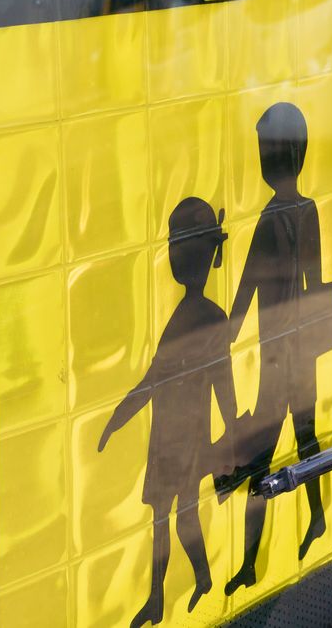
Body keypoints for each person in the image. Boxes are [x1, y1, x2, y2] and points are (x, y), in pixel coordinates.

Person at [98, 198, 235, 628]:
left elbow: (223, 385)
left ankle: (201, 575)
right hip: (165, 439)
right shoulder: (180, 317)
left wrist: (230, 441)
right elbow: (151, 381)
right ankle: (159, 597)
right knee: (162, 519)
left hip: (190, 438)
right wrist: (116, 419)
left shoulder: (211, 317)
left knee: (182, 518)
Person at [221, 101, 332, 595]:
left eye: (264, 152)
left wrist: (223, 332)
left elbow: (249, 282)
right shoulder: (307, 210)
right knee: (305, 439)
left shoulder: (271, 217)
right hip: (301, 350)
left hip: (277, 356)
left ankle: (251, 561)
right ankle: (315, 517)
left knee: (262, 462)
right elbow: (311, 277)